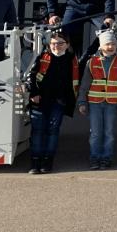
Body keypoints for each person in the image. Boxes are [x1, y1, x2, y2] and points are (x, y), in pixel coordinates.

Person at [24, 32, 78, 174]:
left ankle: (47, 161)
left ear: (67, 45)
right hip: (39, 101)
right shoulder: (43, 57)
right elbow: (32, 75)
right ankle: (35, 161)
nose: (57, 46)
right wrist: (34, 93)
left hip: (58, 102)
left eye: (61, 43)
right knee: (37, 131)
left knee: (52, 131)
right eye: (54, 43)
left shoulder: (71, 59)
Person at [77, 31, 117, 170]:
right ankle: (95, 157)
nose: (110, 46)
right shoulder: (91, 62)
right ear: (101, 46)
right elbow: (85, 84)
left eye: (113, 44)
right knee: (96, 132)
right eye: (107, 44)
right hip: (95, 102)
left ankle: (106, 158)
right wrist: (82, 102)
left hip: (112, 104)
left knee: (109, 132)